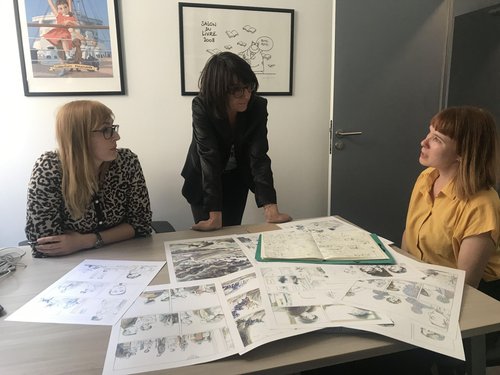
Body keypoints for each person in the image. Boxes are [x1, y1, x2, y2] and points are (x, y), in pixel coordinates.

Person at [25, 100, 152, 257]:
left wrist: (85, 241)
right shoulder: (49, 167)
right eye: (106, 130)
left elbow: (141, 225)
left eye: (113, 128)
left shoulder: (126, 161)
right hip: (68, 265)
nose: (117, 136)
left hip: (125, 255)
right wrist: (116, 234)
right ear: (79, 136)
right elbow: (45, 244)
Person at [181, 51, 291, 231]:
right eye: (237, 90)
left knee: (232, 232)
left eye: (249, 87)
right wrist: (214, 215)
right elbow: (209, 157)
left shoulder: (257, 106)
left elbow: (259, 156)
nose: (246, 95)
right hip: (203, 180)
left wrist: (271, 208)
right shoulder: (202, 106)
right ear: (218, 89)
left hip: (236, 179)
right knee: (211, 239)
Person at [401, 106, 500, 300]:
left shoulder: (481, 205)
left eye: (437, 139)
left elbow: (466, 284)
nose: (424, 142)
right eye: (429, 132)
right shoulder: (427, 177)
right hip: (424, 281)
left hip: (475, 295)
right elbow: (410, 234)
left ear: (463, 153)